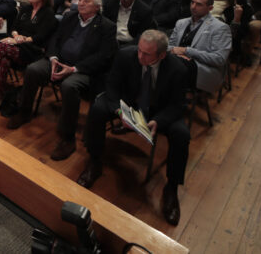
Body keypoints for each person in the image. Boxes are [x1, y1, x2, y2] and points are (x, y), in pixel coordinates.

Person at [78, 30, 190, 226]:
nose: (140, 56)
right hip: (128, 104)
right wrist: (121, 112)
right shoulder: (125, 55)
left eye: (146, 54)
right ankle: (94, 161)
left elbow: (178, 106)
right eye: (139, 50)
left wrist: (159, 121)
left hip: (158, 111)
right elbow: (111, 86)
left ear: (162, 55)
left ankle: (171, 188)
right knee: (97, 109)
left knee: (181, 134)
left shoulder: (178, 69)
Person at [7, 0, 118, 162]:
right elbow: (55, 40)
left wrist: (73, 69)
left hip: (83, 70)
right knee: (33, 70)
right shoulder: (70, 17)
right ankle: (24, 111)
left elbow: (103, 57)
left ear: (97, 7)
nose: (81, 2)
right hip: (58, 62)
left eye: (86, 0)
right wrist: (53, 58)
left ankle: (67, 138)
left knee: (69, 86)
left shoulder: (106, 27)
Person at [169, 0, 232, 96]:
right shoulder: (181, 22)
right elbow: (170, 46)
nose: (193, 7)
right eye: (192, 2)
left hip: (202, 68)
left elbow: (219, 59)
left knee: (171, 66)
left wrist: (187, 51)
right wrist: (177, 53)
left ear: (210, 8)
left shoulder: (220, 28)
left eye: (199, 4)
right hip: (176, 62)